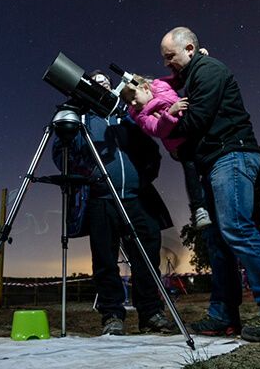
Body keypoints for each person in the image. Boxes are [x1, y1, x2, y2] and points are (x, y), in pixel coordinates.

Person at [160, 27, 260, 342]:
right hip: (215, 161)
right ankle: (223, 317)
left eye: (170, 57)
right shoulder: (194, 75)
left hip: (232, 156)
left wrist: (168, 128)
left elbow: (197, 120)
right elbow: (165, 87)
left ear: (190, 48)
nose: (167, 65)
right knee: (217, 241)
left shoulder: (208, 71)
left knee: (236, 228)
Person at [52, 70, 176, 336]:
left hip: (136, 198)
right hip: (101, 199)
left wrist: (142, 178)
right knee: (105, 260)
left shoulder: (128, 116)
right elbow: (60, 155)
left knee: (146, 257)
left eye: (106, 83)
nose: (103, 87)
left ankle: (151, 313)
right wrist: (90, 175)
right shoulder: (81, 119)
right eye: (95, 84)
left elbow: (152, 152)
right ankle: (111, 314)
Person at [119, 74, 212, 229]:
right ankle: (199, 209)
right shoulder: (140, 115)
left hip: (196, 132)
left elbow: (180, 77)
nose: (133, 103)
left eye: (134, 97)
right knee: (191, 169)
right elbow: (156, 129)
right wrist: (170, 113)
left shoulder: (161, 85)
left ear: (145, 88)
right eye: (129, 102)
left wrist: (198, 57)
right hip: (180, 144)